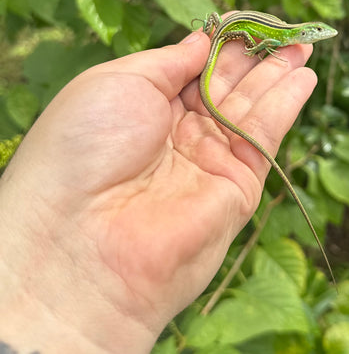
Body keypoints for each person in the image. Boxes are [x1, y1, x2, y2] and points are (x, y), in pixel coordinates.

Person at [0, 26, 321, 353]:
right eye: (318, 31)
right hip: (230, 32)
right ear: (305, 32)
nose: (322, 34)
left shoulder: (284, 36)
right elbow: (262, 41)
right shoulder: (281, 37)